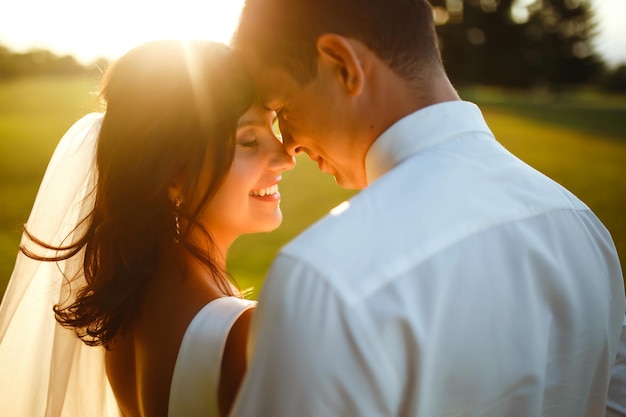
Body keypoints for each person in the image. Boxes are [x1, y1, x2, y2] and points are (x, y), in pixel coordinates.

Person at [229, 0, 626, 415]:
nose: (288, 144)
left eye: (285, 109)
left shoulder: (326, 278)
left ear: (343, 65)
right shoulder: (583, 227)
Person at [0, 40, 294, 417]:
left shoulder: (133, 302)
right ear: (171, 173)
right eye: (249, 140)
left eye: (273, 128)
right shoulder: (239, 336)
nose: (286, 156)